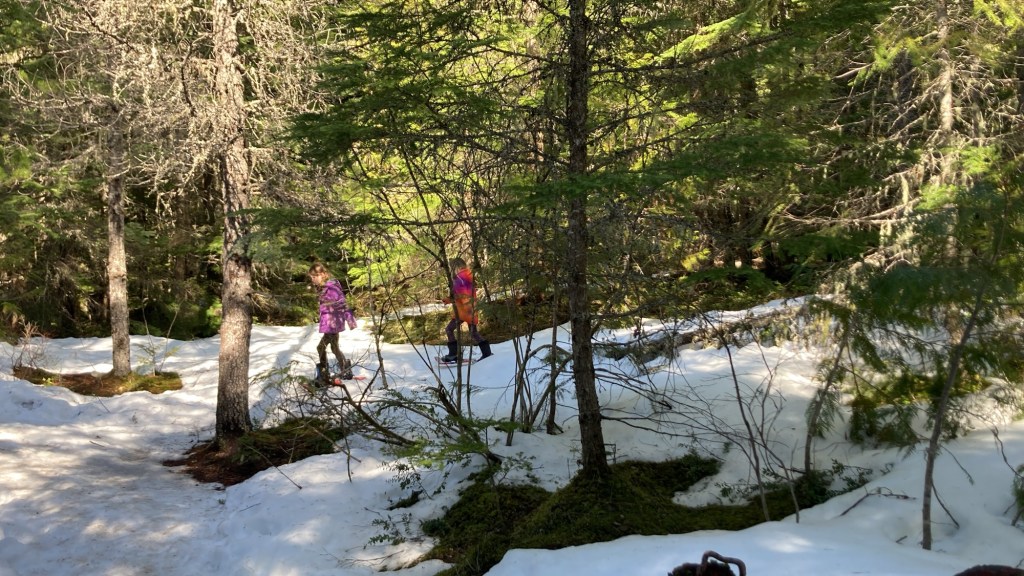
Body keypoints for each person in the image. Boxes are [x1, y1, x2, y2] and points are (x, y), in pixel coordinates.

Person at [309, 263, 357, 385]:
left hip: (333, 324)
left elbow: (343, 303)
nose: (313, 279)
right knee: (334, 348)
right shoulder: (323, 288)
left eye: (315, 276)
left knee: (321, 347)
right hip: (329, 323)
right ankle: (345, 369)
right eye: (311, 277)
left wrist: (350, 320)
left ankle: (323, 375)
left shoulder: (331, 288)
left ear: (323, 275)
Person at [441, 257, 492, 362]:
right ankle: (487, 353)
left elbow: (461, 295)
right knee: (474, 332)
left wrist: (449, 299)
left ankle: (453, 354)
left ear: (455, 266)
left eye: (452, 267)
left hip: (464, 310)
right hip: (470, 308)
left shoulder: (460, 278)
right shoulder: (468, 274)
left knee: (449, 329)